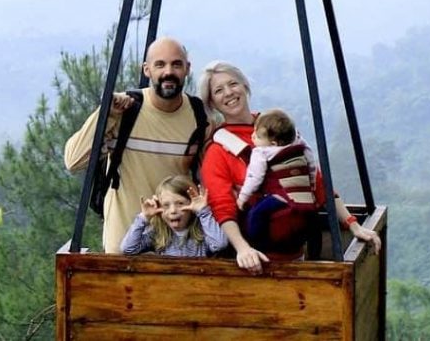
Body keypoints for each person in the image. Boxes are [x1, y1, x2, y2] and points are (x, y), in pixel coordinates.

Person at [198, 61, 381, 274]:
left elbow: (314, 181)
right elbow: (223, 206)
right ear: (212, 102)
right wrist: (243, 249)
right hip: (256, 258)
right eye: (219, 90)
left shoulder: (277, 127)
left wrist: (353, 224)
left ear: (245, 86)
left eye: (233, 84)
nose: (229, 93)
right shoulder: (218, 150)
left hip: (296, 249)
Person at [64, 37, 206, 254]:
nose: (168, 72)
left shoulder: (198, 116)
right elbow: (73, 160)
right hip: (124, 247)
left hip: (175, 250)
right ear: (147, 70)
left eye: (176, 64)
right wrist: (107, 112)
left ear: (187, 69)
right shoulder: (126, 110)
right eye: (160, 65)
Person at [236, 108, 318, 250]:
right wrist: (311, 184)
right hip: (305, 195)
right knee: (313, 220)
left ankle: (257, 245)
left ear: (273, 143)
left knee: (256, 213)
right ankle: (315, 249)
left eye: (258, 135)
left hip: (282, 194)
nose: (253, 136)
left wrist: (243, 197)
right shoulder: (300, 145)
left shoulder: (261, 152)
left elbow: (254, 177)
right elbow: (312, 165)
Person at [119, 174, 227, 257]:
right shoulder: (158, 234)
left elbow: (220, 244)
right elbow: (128, 249)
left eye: (180, 204)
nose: (173, 211)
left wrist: (203, 211)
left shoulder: (202, 233)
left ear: (192, 206)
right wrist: (144, 217)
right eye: (166, 205)